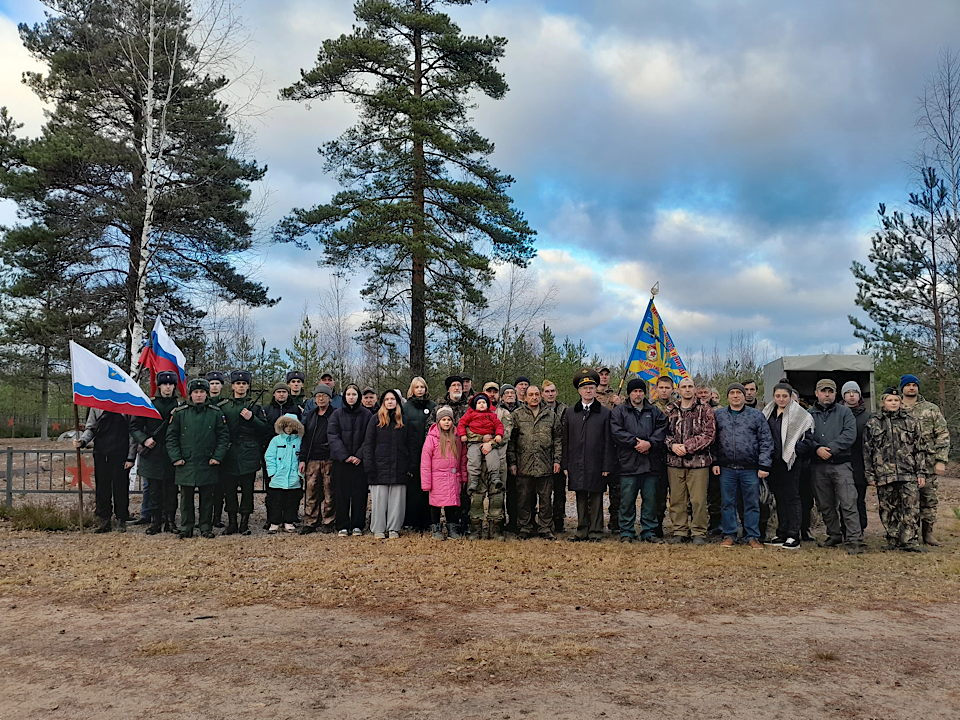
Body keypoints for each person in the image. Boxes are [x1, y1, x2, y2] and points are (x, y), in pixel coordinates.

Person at [863, 387, 927, 552]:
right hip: (884, 474)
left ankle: (910, 540)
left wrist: (921, 472)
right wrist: (870, 474)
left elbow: (919, 448)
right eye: (890, 400)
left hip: (909, 473)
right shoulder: (874, 422)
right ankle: (893, 539)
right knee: (888, 508)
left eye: (896, 400)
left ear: (900, 402)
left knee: (911, 508)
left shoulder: (911, 421)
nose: (893, 403)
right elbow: (867, 450)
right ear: (883, 402)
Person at [713, 383, 774, 550]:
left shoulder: (756, 415)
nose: (735, 396)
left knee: (752, 503)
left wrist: (764, 464)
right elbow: (713, 440)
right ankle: (730, 534)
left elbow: (766, 441)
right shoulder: (719, 415)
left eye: (738, 393)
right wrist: (715, 461)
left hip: (750, 468)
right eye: (732, 393)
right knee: (727, 503)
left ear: (744, 395)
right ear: (728, 396)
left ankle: (752, 535)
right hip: (726, 467)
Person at [166, 378, 229, 539]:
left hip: (207, 462)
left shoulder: (215, 413)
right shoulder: (180, 413)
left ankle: (205, 527)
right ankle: (186, 527)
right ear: (190, 394)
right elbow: (171, 437)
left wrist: (217, 457)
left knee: (207, 497)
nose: (199, 395)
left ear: (206, 394)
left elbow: (223, 437)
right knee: (186, 497)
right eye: (196, 392)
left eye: (202, 392)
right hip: (185, 462)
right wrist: (176, 457)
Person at [808, 378, 863, 554]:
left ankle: (854, 539)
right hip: (818, 466)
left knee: (848, 503)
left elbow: (849, 435)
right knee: (825, 504)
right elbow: (804, 436)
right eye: (823, 391)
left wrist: (830, 449)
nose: (827, 394)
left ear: (835, 394)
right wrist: (816, 448)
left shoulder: (845, 413)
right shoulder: (809, 414)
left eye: (830, 391)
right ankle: (834, 534)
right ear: (817, 393)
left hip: (841, 465)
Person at [610, 378, 667, 543]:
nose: (638, 394)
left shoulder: (655, 411)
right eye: (635, 391)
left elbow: (662, 429)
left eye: (641, 391)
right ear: (629, 393)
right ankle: (627, 531)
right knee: (627, 501)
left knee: (650, 500)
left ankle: (648, 531)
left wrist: (650, 443)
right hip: (628, 464)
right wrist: (636, 443)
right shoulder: (619, 411)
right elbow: (617, 432)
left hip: (650, 464)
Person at [563, 369, 615, 542]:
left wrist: (607, 465)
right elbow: (566, 440)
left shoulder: (605, 413)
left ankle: (596, 531)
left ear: (595, 389)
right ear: (579, 391)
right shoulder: (570, 413)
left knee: (596, 497)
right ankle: (582, 530)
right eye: (584, 387)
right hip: (576, 462)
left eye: (591, 387)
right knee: (580, 497)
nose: (588, 391)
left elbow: (609, 441)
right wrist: (565, 464)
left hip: (597, 462)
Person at [761, 382, 813, 550]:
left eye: (785, 396)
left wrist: (793, 450)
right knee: (779, 498)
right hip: (773, 462)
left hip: (791, 462)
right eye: (778, 396)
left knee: (792, 497)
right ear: (773, 397)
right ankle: (781, 532)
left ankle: (793, 534)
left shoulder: (801, 415)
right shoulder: (767, 413)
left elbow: (809, 440)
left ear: (791, 397)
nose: (781, 399)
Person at [900, 374, 950, 546]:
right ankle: (906, 534)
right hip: (903, 464)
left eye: (914, 385)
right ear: (902, 388)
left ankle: (927, 533)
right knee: (904, 501)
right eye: (908, 385)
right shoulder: (895, 407)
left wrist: (941, 460)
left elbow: (942, 435)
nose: (911, 388)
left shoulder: (931, 409)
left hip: (928, 463)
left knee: (928, 499)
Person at [664, 377, 716, 544]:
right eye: (684, 387)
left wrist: (687, 447)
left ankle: (698, 532)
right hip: (674, 462)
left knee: (698, 500)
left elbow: (709, 434)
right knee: (677, 499)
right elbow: (662, 433)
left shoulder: (705, 409)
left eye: (690, 386)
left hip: (698, 462)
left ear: (695, 390)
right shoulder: (670, 409)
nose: (687, 389)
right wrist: (672, 446)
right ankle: (680, 530)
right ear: (678, 390)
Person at [129, 370, 181, 535]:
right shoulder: (148, 404)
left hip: (171, 453)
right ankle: (155, 522)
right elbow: (134, 427)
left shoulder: (179, 406)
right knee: (153, 490)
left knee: (171, 490)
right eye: (164, 384)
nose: (168, 388)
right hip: (152, 452)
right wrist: (144, 440)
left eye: (171, 384)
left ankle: (170, 522)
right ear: (158, 386)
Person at [216, 370, 268, 536]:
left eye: (244, 384)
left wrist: (252, 418)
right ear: (232, 386)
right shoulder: (223, 407)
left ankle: (244, 523)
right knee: (229, 490)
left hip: (248, 454)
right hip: (229, 454)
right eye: (238, 383)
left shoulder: (257, 408)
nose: (241, 386)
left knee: (247, 490)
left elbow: (265, 429)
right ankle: (232, 523)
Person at [508, 385, 562, 540]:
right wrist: (512, 462)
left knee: (545, 499)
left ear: (541, 396)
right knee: (524, 498)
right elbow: (511, 441)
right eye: (530, 394)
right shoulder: (517, 415)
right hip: (524, 465)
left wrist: (557, 460)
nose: (534, 397)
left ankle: (545, 527)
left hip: (545, 464)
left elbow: (558, 439)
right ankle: (525, 527)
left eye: (537, 394)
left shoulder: (550, 416)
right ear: (525, 397)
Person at [363, 389, 415, 539]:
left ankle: (394, 528)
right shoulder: (375, 420)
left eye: (393, 399)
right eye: (387, 399)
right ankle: (378, 528)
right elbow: (368, 444)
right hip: (379, 467)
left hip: (400, 466)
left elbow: (410, 445)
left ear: (397, 402)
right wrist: (369, 466)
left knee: (397, 501)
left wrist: (411, 465)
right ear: (383, 402)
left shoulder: (404, 421)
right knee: (379, 500)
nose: (390, 402)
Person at [75, 407, 134, 533]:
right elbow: (90, 428)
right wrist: (83, 440)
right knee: (102, 488)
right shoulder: (96, 407)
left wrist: (130, 457)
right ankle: (104, 520)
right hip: (101, 453)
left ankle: (121, 519)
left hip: (121, 454)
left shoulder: (126, 405)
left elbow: (132, 433)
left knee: (121, 488)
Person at [458, 393, 506, 539]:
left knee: (497, 496)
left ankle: (495, 530)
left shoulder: (497, 415)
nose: (481, 405)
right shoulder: (469, 415)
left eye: (484, 403)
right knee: (476, 497)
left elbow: (502, 431)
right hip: (475, 456)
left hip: (494, 455)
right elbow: (463, 428)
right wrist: (479, 439)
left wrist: (492, 442)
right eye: (479, 403)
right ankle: (475, 530)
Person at [328, 384, 372, 536]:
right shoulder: (336, 414)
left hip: (360, 462)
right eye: (348, 394)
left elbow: (369, 437)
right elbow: (333, 436)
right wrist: (345, 456)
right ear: (344, 397)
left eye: (354, 394)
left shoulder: (367, 415)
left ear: (358, 396)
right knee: (341, 493)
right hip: (341, 462)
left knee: (359, 494)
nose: (351, 397)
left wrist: (359, 455)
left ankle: (357, 525)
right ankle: (342, 525)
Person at [420, 406, 467, 540]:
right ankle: (436, 528)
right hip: (437, 477)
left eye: (449, 419)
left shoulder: (457, 437)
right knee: (435, 505)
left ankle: (452, 527)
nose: (446, 422)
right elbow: (425, 462)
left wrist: (463, 476)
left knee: (451, 504)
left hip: (453, 476)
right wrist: (426, 483)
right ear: (438, 421)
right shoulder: (432, 438)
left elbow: (463, 458)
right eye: (443, 419)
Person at [298, 384, 336, 534]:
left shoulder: (335, 414)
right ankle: (311, 521)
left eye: (324, 396)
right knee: (311, 491)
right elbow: (305, 438)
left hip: (329, 458)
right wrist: (302, 459)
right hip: (312, 458)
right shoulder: (311, 415)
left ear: (329, 398)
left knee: (329, 491)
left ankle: (329, 521)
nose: (321, 399)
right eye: (318, 396)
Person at [402, 376, 435, 532]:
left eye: (422, 387)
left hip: (431, 452)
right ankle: (412, 520)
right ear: (412, 389)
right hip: (412, 452)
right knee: (413, 487)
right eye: (417, 387)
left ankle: (428, 521)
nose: (420, 390)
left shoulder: (433, 406)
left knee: (428, 487)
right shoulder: (405, 407)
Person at [264, 413, 304, 534]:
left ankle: (289, 521)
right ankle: (274, 522)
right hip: (278, 477)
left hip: (293, 477)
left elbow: (302, 457)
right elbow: (269, 456)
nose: (288, 428)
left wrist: (299, 475)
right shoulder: (276, 440)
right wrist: (272, 473)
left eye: (291, 425)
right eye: (286, 425)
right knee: (276, 500)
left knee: (291, 501)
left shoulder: (300, 441)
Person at [842, 380, 872, 532]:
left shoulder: (868, 417)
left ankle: (860, 528)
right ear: (843, 396)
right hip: (843, 462)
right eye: (848, 393)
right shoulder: (838, 414)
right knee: (844, 499)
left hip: (861, 463)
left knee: (859, 498)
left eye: (854, 392)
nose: (851, 395)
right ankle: (844, 528)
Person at [595, 366, 622, 533]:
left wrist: (619, 404)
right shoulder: (592, 396)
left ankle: (616, 522)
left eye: (606, 375)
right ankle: (596, 523)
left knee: (617, 489)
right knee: (596, 489)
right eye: (601, 375)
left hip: (616, 449)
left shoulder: (618, 397)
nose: (604, 377)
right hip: (597, 447)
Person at [542, 380, 569, 533]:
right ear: (542, 394)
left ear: (556, 393)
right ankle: (543, 522)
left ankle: (559, 522)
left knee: (560, 491)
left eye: (552, 391)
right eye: (547, 391)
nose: (550, 394)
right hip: (542, 457)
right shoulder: (537, 410)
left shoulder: (565, 410)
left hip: (560, 455)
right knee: (543, 492)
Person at [651, 376, 675, 538]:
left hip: (675, 454)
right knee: (657, 493)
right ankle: (656, 525)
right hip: (656, 455)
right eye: (661, 388)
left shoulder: (679, 407)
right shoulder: (650, 407)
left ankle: (681, 527)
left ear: (672, 389)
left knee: (678, 494)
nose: (664, 391)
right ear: (656, 389)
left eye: (667, 388)